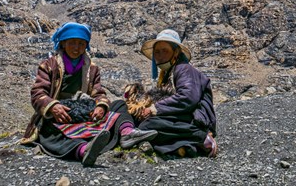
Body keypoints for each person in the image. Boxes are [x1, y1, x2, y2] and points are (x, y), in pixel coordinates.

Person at [21, 22, 157, 166]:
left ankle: (127, 133)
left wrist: (101, 106)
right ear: (63, 43)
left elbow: (98, 93)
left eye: (81, 43)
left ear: (86, 46)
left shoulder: (92, 69)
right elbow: (38, 93)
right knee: (49, 132)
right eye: (72, 42)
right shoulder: (49, 65)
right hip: (59, 117)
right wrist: (53, 107)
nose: (76, 47)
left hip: (83, 114)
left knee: (119, 105)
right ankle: (84, 150)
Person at [137, 29, 217, 157]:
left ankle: (201, 137)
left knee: (148, 125)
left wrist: (155, 108)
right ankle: (185, 146)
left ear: (176, 52)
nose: (160, 55)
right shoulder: (168, 74)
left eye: (165, 51)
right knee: (142, 126)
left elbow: (188, 98)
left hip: (195, 119)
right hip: (180, 116)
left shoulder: (184, 69)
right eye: (157, 52)